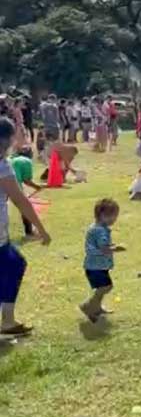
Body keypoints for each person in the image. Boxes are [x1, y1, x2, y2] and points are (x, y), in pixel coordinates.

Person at [0, 118, 51, 336]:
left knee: (13, 264)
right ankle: (7, 322)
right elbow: (20, 200)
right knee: (14, 265)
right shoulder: (3, 166)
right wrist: (41, 229)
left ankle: (8, 321)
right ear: (8, 138)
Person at [81, 199, 125, 322]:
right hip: (96, 266)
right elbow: (104, 249)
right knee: (106, 287)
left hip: (94, 265)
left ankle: (97, 308)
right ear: (102, 216)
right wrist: (116, 248)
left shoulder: (95, 227)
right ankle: (88, 306)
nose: (114, 219)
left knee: (102, 287)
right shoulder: (101, 231)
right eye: (113, 216)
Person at [10, 147, 41, 238]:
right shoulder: (26, 161)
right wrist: (37, 187)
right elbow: (26, 180)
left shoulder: (10, 158)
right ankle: (29, 232)